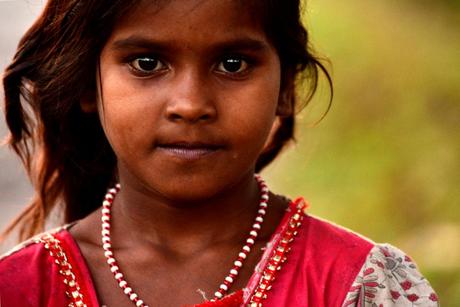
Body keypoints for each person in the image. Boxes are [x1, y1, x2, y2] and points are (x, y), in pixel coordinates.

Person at [0, 0, 439, 306]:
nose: (190, 104)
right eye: (147, 63)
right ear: (86, 84)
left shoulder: (361, 285)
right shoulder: (20, 289)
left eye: (233, 64)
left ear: (286, 87)